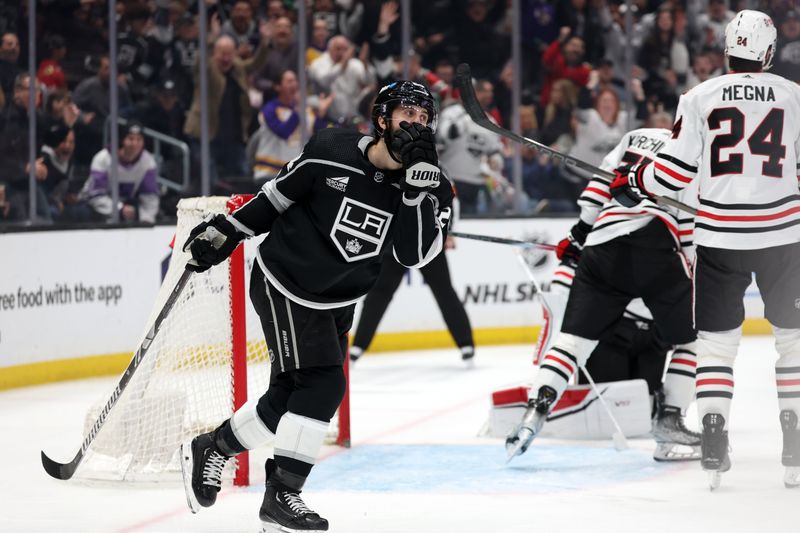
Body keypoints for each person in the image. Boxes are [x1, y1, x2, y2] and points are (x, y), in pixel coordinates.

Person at [180, 81, 453, 532]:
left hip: (339, 297)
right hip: (285, 281)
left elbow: (413, 254)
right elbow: (275, 197)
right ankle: (282, 495)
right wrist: (227, 232)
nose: (417, 126)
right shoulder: (331, 149)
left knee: (287, 398)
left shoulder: (432, 183)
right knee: (324, 385)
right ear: (382, 119)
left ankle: (214, 446)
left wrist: (414, 195)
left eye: (425, 118)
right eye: (408, 115)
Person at [609, 10, 800, 489]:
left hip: (719, 237)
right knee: (793, 339)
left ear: (726, 51)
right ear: (770, 53)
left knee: (716, 343)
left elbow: (671, 174)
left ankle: (713, 432)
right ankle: (795, 438)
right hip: (783, 237)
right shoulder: (795, 98)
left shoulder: (699, 97)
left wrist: (635, 178)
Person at [505, 125, 699, 463]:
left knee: (572, 342)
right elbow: (686, 226)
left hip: (602, 243)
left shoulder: (635, 136)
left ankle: (535, 411)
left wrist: (580, 233)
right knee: (694, 341)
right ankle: (670, 419)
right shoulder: (691, 151)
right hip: (655, 242)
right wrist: (690, 269)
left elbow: (598, 189)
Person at [349, 191, 475, 366]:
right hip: (395, 243)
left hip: (427, 243)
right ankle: (358, 346)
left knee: (443, 290)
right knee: (379, 293)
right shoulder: (390, 166)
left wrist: (448, 229)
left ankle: (466, 344)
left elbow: (449, 198)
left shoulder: (435, 169)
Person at [80, 120, 160, 223]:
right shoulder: (103, 158)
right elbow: (95, 196)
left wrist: (146, 218)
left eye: (139, 139)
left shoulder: (148, 162)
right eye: (130, 139)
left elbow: (150, 197)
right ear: (122, 140)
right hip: (93, 207)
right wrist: (119, 209)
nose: (134, 144)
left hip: (126, 207)